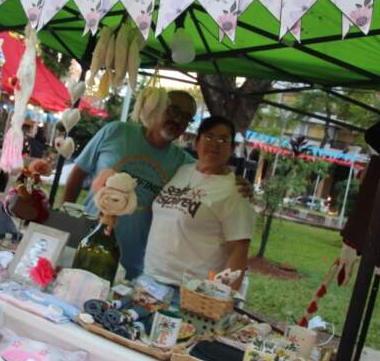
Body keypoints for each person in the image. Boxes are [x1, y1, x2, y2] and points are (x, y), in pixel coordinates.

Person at [63, 90, 251, 279]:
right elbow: (77, 175)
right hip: (85, 242)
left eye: (186, 118)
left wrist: (237, 182)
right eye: (174, 111)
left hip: (131, 262)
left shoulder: (183, 164)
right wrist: (67, 220)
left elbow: (211, 170)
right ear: (157, 107)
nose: (178, 120)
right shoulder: (116, 131)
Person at [144, 116, 255, 293]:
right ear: (196, 142)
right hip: (148, 278)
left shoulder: (235, 192)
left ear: (232, 148)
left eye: (223, 139)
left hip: (188, 292)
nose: (214, 144)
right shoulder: (182, 169)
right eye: (208, 137)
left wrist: (221, 299)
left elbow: (238, 252)